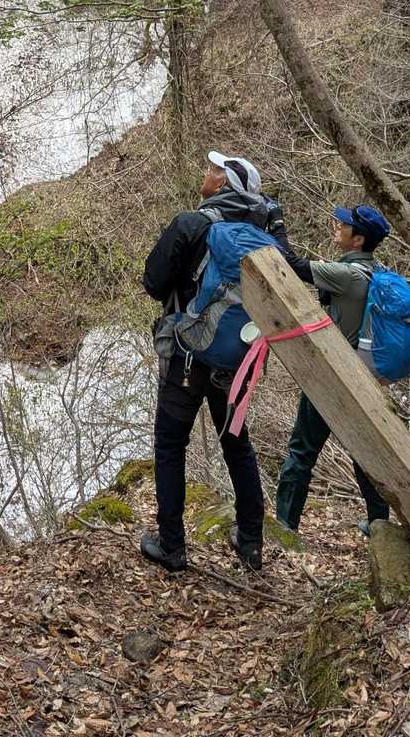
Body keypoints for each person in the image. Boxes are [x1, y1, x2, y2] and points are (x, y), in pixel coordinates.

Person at [140, 150, 290, 575]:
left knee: (170, 446)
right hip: (237, 363)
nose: (207, 174)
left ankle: (172, 546)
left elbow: (153, 283)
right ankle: (251, 542)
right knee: (237, 446)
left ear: (223, 184)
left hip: (186, 358)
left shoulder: (192, 224)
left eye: (213, 170)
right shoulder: (265, 239)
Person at [274, 202, 393, 537]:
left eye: (343, 225)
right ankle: (380, 526)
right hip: (364, 379)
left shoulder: (347, 275)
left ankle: (284, 526)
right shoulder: (376, 272)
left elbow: (291, 263)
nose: (336, 226)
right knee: (364, 453)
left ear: (359, 239)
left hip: (331, 377)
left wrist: (276, 224)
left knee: (302, 450)